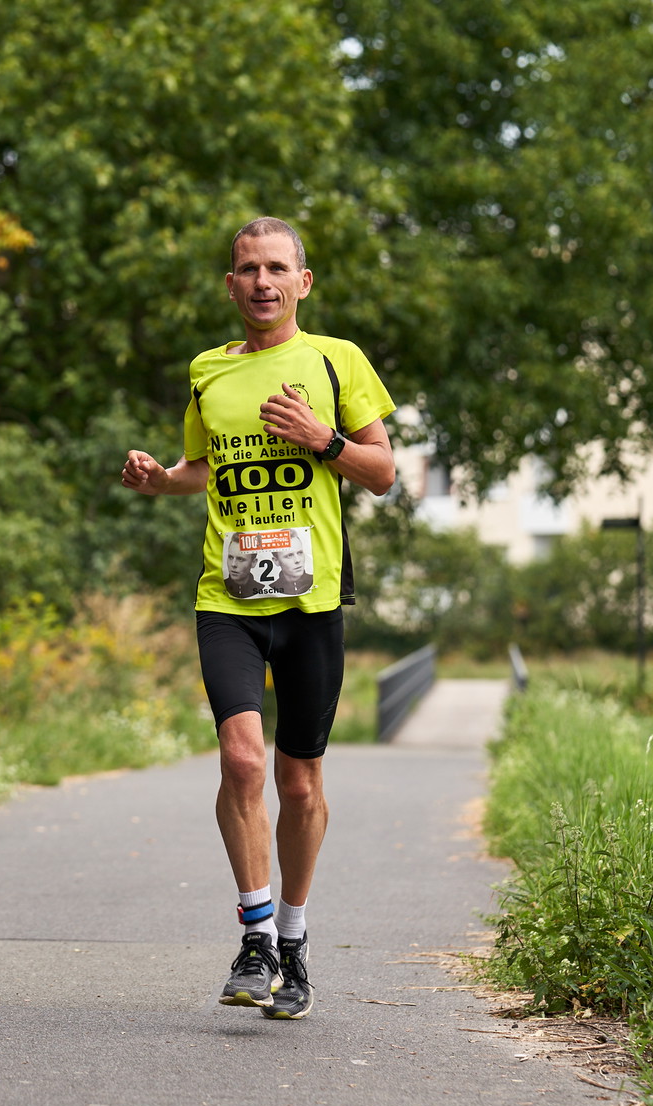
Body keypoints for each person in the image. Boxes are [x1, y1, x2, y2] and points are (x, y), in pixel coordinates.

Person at [120, 217, 396, 1019]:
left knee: (299, 783)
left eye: (278, 267)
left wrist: (325, 439)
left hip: (311, 602)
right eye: (248, 269)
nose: (262, 281)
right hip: (228, 598)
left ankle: (297, 945)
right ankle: (256, 936)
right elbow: (202, 471)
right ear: (230, 284)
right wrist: (157, 478)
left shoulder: (335, 360)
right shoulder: (209, 371)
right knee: (242, 762)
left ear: (302, 283)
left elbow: (381, 473)